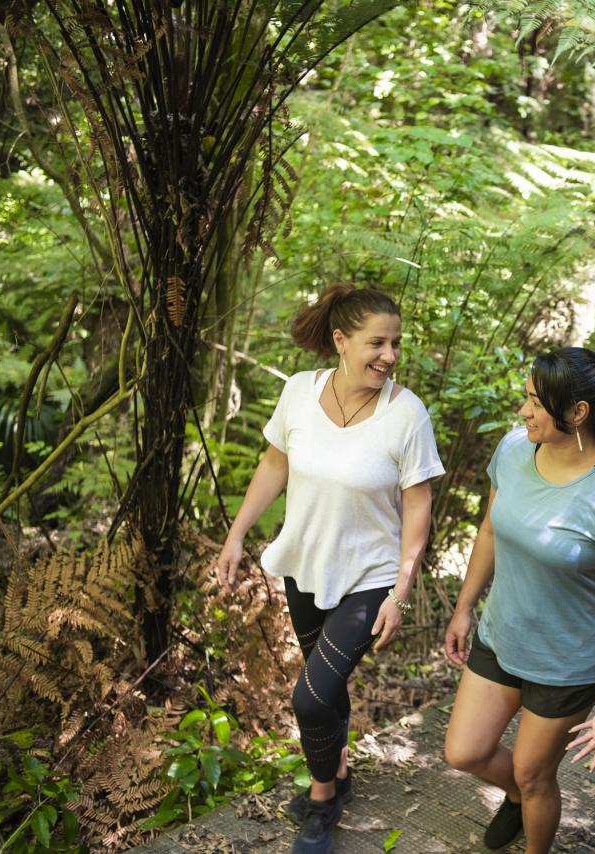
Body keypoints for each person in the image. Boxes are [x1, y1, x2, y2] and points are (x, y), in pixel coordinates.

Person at [211, 284, 443, 854]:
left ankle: (321, 801)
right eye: (377, 343)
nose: (389, 356)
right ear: (340, 342)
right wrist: (237, 534)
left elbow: (419, 504)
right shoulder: (298, 392)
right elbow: (274, 464)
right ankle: (338, 770)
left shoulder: (406, 413)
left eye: (395, 344)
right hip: (306, 565)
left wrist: (402, 588)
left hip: (372, 577)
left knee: (310, 698)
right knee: (328, 685)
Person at [442, 347, 595, 853]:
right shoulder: (514, 451)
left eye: (536, 403)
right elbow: (491, 530)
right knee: (463, 752)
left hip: (568, 663)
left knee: (535, 772)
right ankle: (517, 797)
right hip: (503, 636)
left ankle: (532, 821)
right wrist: (464, 606)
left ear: (577, 413)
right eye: (526, 399)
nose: (524, 412)